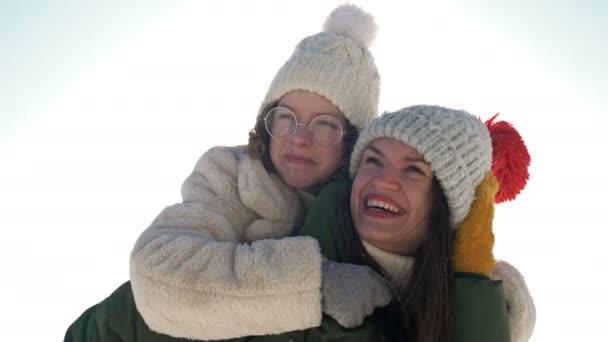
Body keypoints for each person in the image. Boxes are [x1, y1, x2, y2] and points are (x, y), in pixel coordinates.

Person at [64, 104, 534, 342]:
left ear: (448, 207)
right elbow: (109, 326)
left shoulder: (462, 305)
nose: (383, 180)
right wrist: (308, 289)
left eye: (414, 170)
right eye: (372, 160)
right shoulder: (271, 254)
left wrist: (471, 278)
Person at [129, 3, 392, 339]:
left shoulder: (372, 203)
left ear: (352, 138)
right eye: (286, 117)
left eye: (324, 125)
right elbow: (159, 271)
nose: (299, 139)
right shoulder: (230, 174)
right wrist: (318, 283)